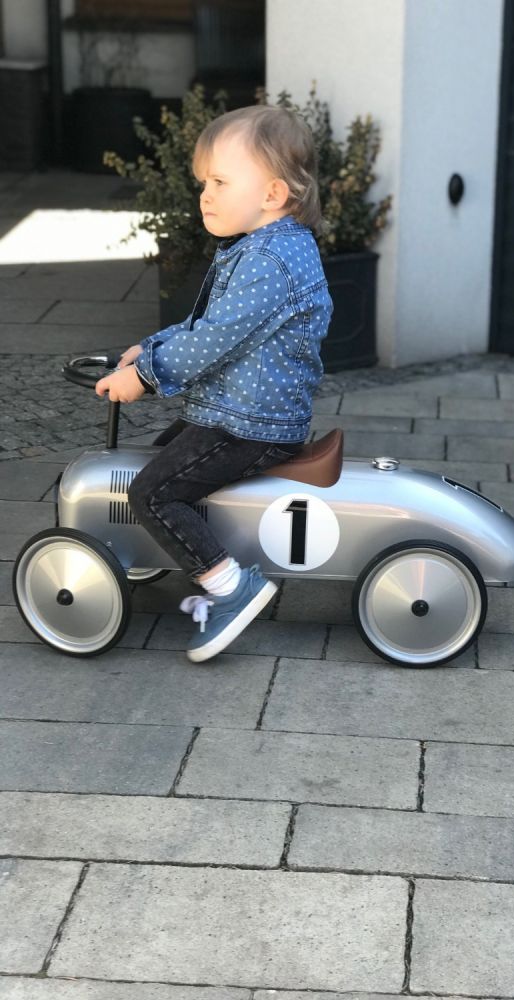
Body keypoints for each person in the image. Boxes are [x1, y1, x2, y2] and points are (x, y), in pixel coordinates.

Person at [95, 105, 333, 663]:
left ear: (273, 193)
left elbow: (214, 338)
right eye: (204, 182)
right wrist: (149, 347)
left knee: (152, 491)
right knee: (161, 458)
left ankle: (231, 587)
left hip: (250, 425)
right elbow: (210, 323)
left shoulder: (269, 261)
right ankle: (176, 548)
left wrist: (146, 377)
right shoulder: (267, 246)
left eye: (220, 182)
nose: (205, 195)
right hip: (237, 412)